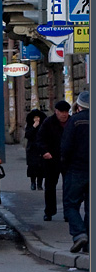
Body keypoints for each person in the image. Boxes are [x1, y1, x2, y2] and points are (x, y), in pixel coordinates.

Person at [60, 91, 89, 253]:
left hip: (76, 170)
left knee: (71, 204)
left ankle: (79, 234)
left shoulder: (75, 121)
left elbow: (66, 147)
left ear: (78, 105)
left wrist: (64, 166)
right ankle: (89, 244)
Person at [36, 100, 72, 221]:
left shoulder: (72, 122)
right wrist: (45, 152)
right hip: (51, 159)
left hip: (68, 159)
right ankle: (49, 211)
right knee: (50, 186)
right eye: (62, 112)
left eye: (66, 112)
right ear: (56, 111)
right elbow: (40, 139)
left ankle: (68, 213)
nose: (64, 114)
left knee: (69, 187)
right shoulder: (48, 123)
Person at [23, 108, 47, 191]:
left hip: (40, 148)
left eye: (38, 117)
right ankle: (32, 183)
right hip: (32, 149)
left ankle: (39, 184)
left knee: (41, 167)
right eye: (35, 118)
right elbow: (27, 135)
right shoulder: (30, 125)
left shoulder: (43, 125)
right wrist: (34, 126)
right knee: (32, 167)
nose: (37, 119)